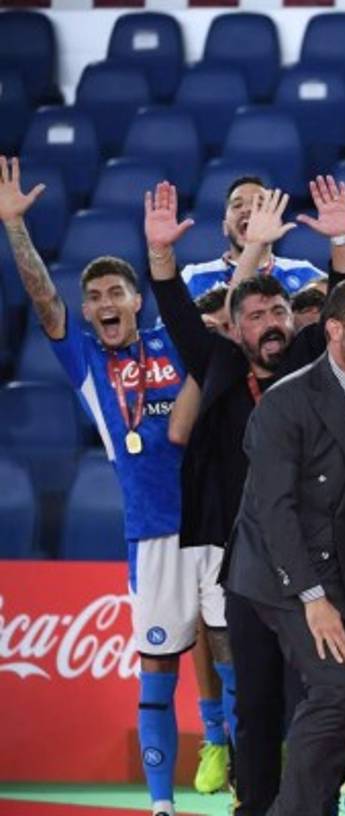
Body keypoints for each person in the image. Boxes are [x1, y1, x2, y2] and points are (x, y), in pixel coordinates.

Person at [0, 158, 215, 816]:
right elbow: (44, 300)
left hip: (216, 521)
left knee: (236, 659)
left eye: (114, 292)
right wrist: (15, 228)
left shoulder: (173, 341)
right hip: (151, 533)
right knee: (157, 673)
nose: (102, 304)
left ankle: (245, 786)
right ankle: (162, 807)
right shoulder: (87, 359)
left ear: (136, 300)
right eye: (92, 297)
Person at [145, 177, 345, 815]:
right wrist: (160, 253)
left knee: (319, 701)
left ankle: (314, 806)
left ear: (295, 320)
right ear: (236, 329)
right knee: (258, 703)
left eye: (279, 313)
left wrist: (342, 239)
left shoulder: (312, 363)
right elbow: (173, 307)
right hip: (249, 570)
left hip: (318, 563)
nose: (270, 324)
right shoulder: (219, 366)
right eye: (256, 316)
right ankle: (255, 806)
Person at [225, 276, 345, 816]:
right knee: (334, 691)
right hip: (280, 567)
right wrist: (311, 598)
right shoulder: (285, 402)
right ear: (334, 330)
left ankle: (305, 804)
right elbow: (273, 511)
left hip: (343, 560)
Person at [180, 175, 327, 298]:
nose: (248, 209)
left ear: (275, 222)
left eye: (259, 204)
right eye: (237, 205)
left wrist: (339, 239)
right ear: (225, 227)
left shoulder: (306, 275)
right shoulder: (193, 278)